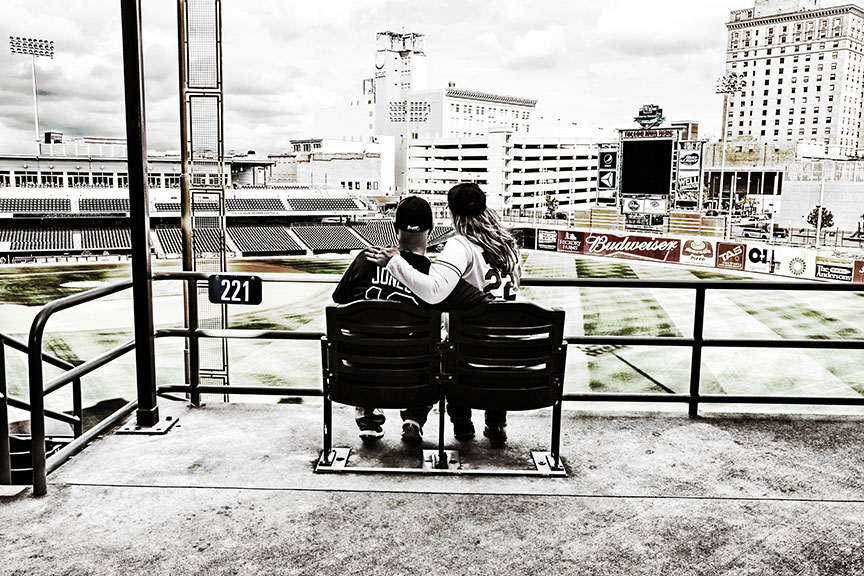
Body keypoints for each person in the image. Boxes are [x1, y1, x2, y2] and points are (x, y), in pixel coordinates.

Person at [366, 183, 520, 446]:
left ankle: (462, 426)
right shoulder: (507, 244)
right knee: (477, 335)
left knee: (447, 346)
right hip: (509, 349)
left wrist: (394, 262)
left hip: (472, 349)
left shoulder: (461, 244)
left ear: (451, 213)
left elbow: (434, 291)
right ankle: (495, 424)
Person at [333, 195, 488, 445]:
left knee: (369, 342)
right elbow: (480, 303)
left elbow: (340, 300)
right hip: (413, 376)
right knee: (441, 351)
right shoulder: (434, 276)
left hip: (360, 373)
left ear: (395, 228)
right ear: (432, 229)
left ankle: (369, 416)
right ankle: (413, 418)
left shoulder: (365, 259)